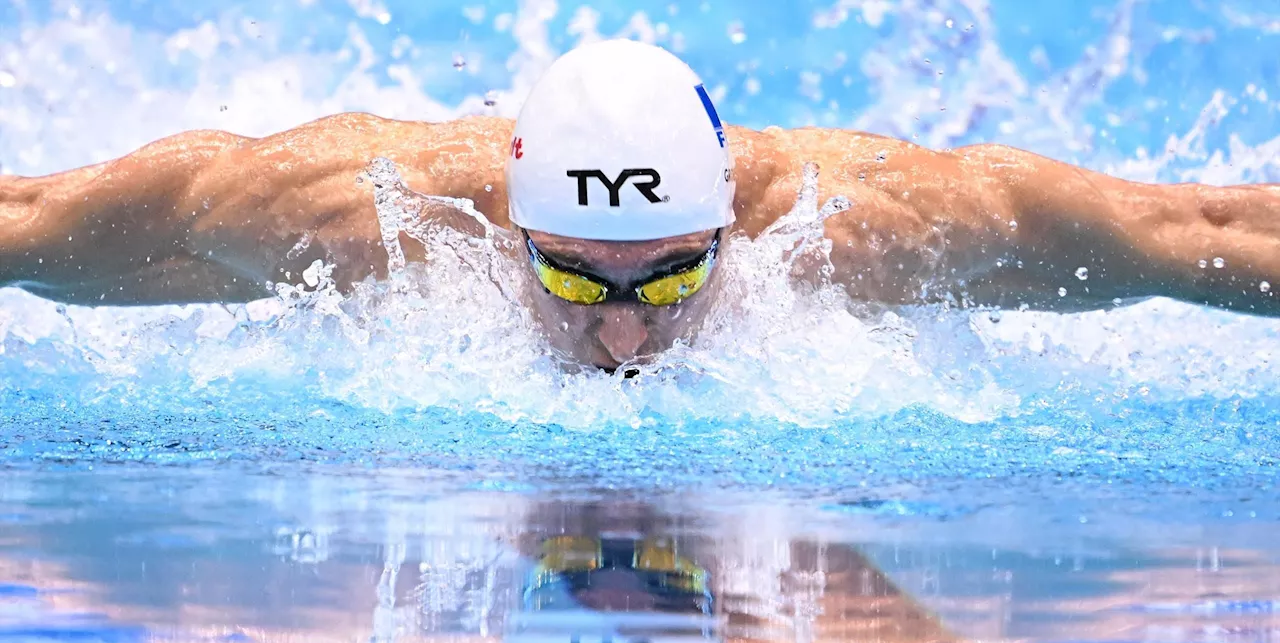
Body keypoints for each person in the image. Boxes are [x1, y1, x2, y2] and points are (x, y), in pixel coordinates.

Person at [0, 39, 1276, 371]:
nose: (624, 338)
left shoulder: (868, 222)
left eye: (671, 278)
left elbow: (1200, 235)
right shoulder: (350, 211)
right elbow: (36, 216)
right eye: (572, 279)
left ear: (732, 227)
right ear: (509, 220)